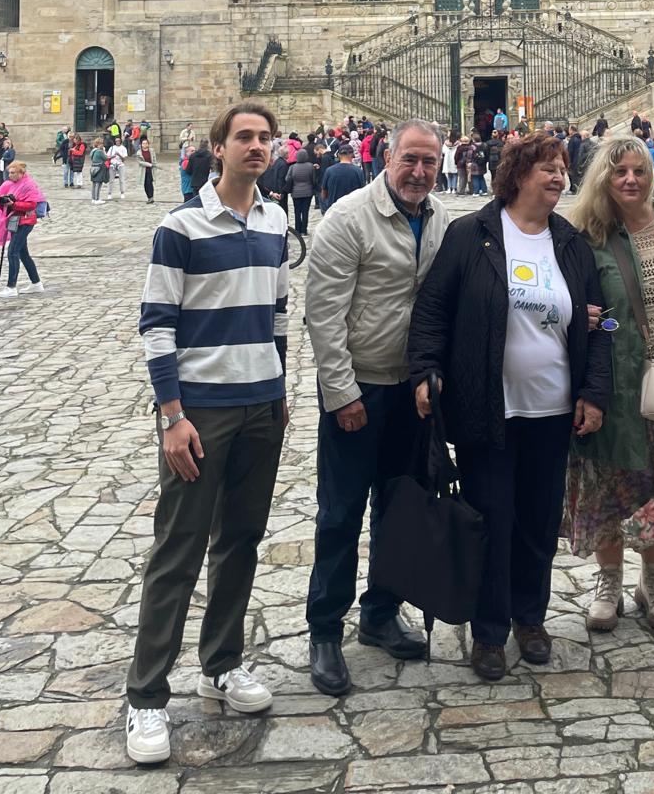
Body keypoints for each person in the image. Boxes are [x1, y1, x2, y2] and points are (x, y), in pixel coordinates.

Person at [407, 131, 610, 682]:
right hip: (487, 406)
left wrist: (594, 391)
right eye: (547, 167)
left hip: (551, 409)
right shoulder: (471, 234)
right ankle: (489, 631)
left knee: (538, 523)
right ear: (518, 174)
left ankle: (531, 619)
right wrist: (427, 371)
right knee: (491, 519)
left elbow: (601, 322)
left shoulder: (569, 242)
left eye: (562, 168)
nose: (557, 177)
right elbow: (433, 310)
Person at [125, 103, 289, 766]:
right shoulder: (180, 227)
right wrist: (172, 415)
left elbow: (278, 310)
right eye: (244, 137)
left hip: (259, 407)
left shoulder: (276, 220)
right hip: (201, 413)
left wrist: (279, 392)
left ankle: (220, 665)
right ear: (217, 148)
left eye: (264, 138)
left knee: (242, 542)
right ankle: (145, 697)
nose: (256, 147)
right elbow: (156, 323)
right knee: (179, 550)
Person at [303, 122, 450, 697]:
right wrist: (342, 395)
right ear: (387, 158)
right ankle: (324, 630)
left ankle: (381, 612)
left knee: (399, 508)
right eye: (410, 159)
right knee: (340, 514)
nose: (419, 172)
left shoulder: (439, 220)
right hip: (359, 386)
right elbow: (324, 316)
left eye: (429, 163)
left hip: (411, 391)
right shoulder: (348, 219)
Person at [564, 135, 654, 633]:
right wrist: (577, 313)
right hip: (611, 382)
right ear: (604, 176)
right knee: (607, 484)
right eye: (619, 171)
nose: (630, 180)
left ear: (653, 175)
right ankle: (610, 580)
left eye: (639, 172)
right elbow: (560, 296)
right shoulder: (586, 234)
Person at [0, 161, 46, 299]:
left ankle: (11, 286)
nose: (10, 175)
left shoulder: (29, 185)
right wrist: (4, 203)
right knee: (23, 253)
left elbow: (31, 204)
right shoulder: (10, 185)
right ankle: (36, 283)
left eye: (13, 173)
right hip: (15, 221)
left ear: (21, 173)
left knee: (12, 251)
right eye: (9, 172)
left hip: (26, 221)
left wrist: (14, 204)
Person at [320, 143, 365, 213]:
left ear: (338, 155)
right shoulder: (358, 171)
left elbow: (324, 193)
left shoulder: (329, 171)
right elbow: (362, 193)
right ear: (352, 155)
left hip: (334, 210)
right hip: (352, 210)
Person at [286, 149, 316, 237]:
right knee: (305, 211)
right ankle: (304, 230)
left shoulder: (292, 167)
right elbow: (313, 179)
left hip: (296, 192)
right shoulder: (310, 166)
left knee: (297, 211)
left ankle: (297, 230)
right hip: (307, 191)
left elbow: (287, 179)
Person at [89, 136, 109, 203]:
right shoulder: (100, 151)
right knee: (98, 183)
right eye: (101, 143)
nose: (102, 145)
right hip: (99, 168)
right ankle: (97, 199)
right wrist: (104, 151)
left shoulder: (93, 151)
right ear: (98, 144)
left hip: (93, 167)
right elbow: (106, 158)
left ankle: (93, 198)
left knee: (94, 184)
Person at [140, 136, 156, 204]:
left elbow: (154, 159)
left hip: (150, 170)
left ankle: (151, 197)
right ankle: (148, 197)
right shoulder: (139, 152)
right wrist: (149, 164)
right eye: (143, 143)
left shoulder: (151, 151)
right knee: (145, 184)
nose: (145, 145)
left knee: (150, 183)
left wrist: (154, 165)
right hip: (143, 170)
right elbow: (140, 162)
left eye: (146, 143)